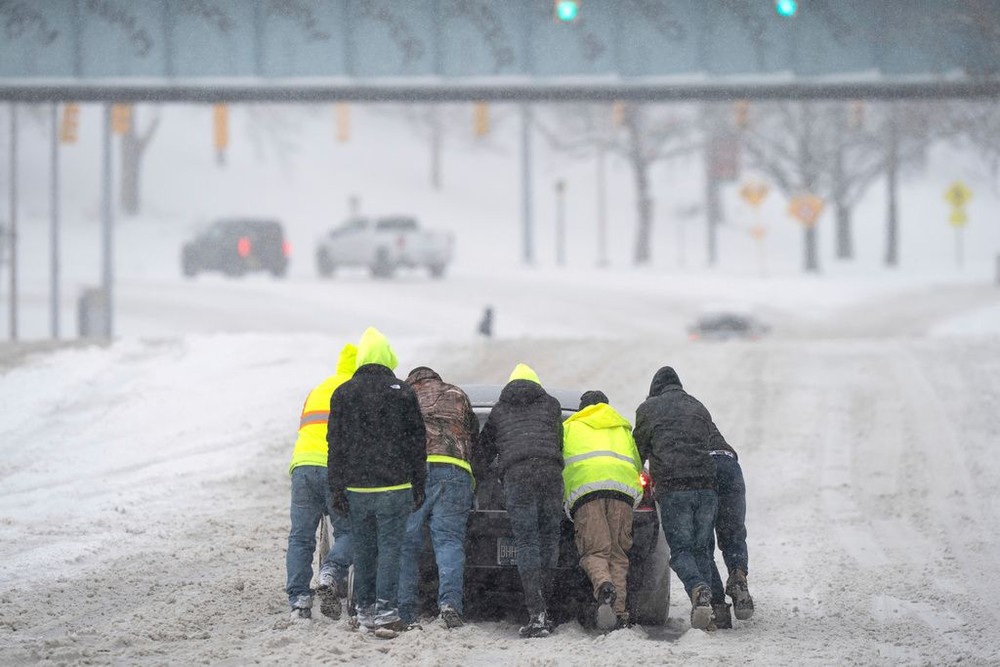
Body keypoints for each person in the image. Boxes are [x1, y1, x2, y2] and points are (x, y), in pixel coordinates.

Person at [327, 327, 427, 637]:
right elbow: (416, 443)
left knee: (364, 550)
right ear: (387, 356)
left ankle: (364, 612)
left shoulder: (343, 393)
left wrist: (337, 488)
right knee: (390, 552)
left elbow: (336, 445)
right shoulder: (403, 392)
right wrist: (418, 483)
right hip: (395, 489)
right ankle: (387, 613)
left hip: (357, 490)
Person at [478, 363, 564, 638]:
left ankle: (536, 612)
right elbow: (559, 441)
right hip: (550, 473)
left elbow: (484, 451)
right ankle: (547, 607)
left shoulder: (499, 409)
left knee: (527, 541)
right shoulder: (552, 406)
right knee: (550, 538)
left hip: (517, 475)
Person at [633, 366, 718, 631]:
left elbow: (637, 452)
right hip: (706, 487)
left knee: (680, 550)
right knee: (703, 548)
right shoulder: (698, 406)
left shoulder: (648, 409)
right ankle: (712, 610)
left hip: (674, 488)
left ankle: (698, 588)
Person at [398, 367, 480, 629]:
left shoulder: (405, 396)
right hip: (455, 470)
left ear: (414, 381)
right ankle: (450, 604)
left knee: (407, 543)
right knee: (448, 542)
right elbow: (473, 433)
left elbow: (396, 436)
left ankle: (405, 611)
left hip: (416, 470)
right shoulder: (457, 393)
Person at [561, 390, 643, 632]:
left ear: (582, 408)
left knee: (595, 551)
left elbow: (559, 462)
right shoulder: (622, 428)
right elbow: (637, 464)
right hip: (623, 494)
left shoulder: (570, 427)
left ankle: (604, 586)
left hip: (586, 494)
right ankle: (619, 614)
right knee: (618, 554)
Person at [286, 343, 357, 621]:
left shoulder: (317, 389)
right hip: (334, 469)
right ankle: (330, 572)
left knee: (301, 536)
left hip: (303, 466)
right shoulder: (352, 392)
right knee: (350, 531)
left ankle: (299, 601)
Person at [706, 423, 754, 629]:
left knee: (702, 541)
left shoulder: (663, 420)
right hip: (729, 463)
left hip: (703, 470)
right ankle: (738, 576)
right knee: (733, 532)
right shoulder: (696, 410)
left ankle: (718, 606)